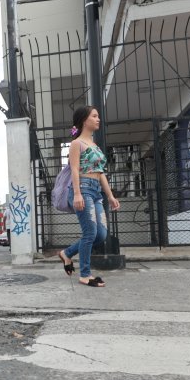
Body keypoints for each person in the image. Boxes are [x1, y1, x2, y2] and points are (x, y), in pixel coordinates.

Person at [58, 106, 120, 286]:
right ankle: (85, 274)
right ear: (85, 120)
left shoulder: (95, 146)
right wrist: (77, 193)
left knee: (100, 234)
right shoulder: (77, 144)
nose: (98, 119)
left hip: (96, 191)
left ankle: (67, 253)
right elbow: (75, 170)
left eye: (98, 116)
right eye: (94, 116)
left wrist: (110, 196)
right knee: (90, 232)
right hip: (83, 188)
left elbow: (100, 173)